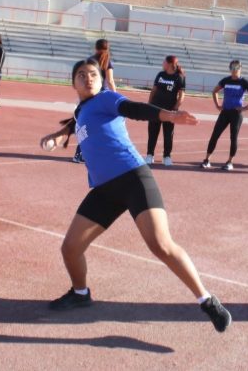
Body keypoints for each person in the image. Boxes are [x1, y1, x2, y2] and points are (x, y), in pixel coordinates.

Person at [40, 59, 231, 332]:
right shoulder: (82, 109)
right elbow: (77, 121)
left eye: (93, 74)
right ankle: (80, 294)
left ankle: (207, 300)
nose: (88, 78)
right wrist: (59, 136)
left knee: (160, 244)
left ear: (101, 79)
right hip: (105, 190)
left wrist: (168, 115)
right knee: (70, 248)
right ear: (73, 83)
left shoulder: (107, 99)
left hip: (133, 178)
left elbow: (134, 109)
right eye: (81, 75)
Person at [201, 60, 248, 171]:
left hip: (236, 114)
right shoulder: (225, 80)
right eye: (232, 68)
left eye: (237, 68)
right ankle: (207, 160)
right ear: (230, 68)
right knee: (215, 135)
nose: (235, 70)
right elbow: (214, 91)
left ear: (240, 69)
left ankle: (230, 162)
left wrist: (245, 107)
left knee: (233, 138)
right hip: (225, 112)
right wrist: (217, 105)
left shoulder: (244, 82)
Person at [73, 39, 116, 163]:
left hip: (89, 96)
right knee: (102, 125)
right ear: (107, 49)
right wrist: (116, 96)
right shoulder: (107, 62)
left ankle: (80, 153)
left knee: (86, 125)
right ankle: (84, 153)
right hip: (102, 97)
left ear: (95, 48)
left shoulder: (90, 61)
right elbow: (110, 81)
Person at [145, 55, 186, 166]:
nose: (162, 63)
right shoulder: (160, 75)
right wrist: (149, 104)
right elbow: (153, 91)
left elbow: (182, 96)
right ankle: (150, 155)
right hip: (155, 108)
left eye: (164, 62)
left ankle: (167, 156)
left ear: (169, 64)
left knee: (168, 134)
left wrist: (175, 108)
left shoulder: (179, 77)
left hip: (169, 111)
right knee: (152, 133)